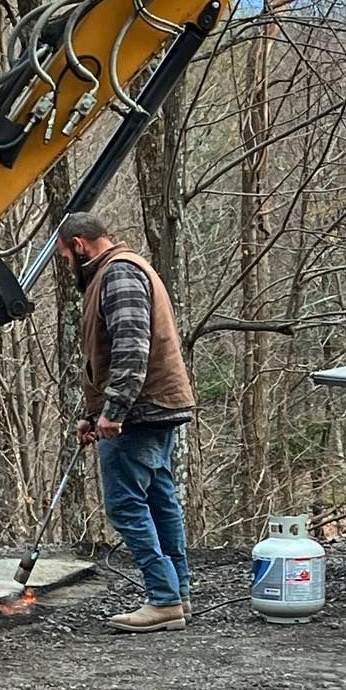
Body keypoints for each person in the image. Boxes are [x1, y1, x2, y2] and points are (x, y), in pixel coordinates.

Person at [56, 211, 195, 632]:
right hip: (152, 405)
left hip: (140, 410)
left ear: (80, 245)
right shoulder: (123, 271)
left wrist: (113, 414)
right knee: (159, 500)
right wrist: (91, 414)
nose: (67, 266)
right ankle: (178, 594)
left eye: (65, 256)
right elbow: (107, 357)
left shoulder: (118, 275)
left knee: (126, 504)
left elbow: (132, 350)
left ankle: (163, 598)